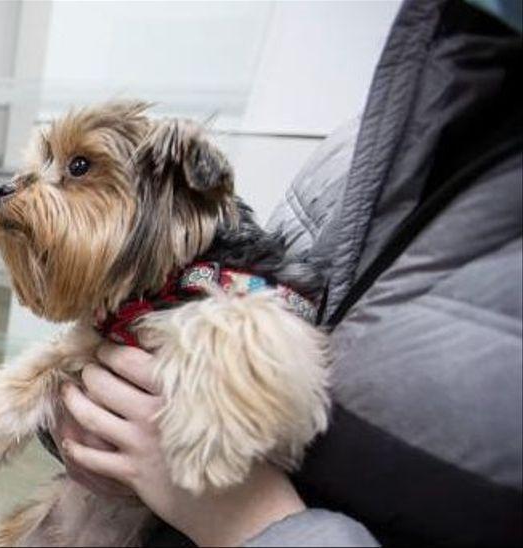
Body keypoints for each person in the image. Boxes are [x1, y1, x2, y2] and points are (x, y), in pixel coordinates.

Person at [49, 0, 521, 545]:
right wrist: (78, 418)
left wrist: (249, 520)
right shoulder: (356, 149)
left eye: (76, 170)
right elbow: (199, 312)